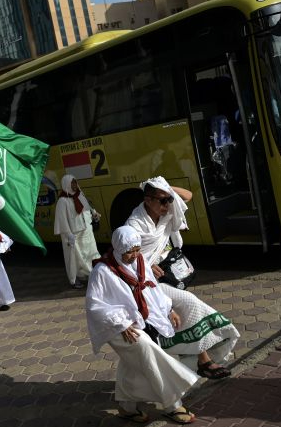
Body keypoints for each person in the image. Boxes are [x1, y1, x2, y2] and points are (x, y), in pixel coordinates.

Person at [126, 176, 239, 379]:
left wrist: (165, 187)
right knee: (189, 303)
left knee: (186, 309)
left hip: (164, 275)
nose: (168, 204)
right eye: (162, 200)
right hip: (145, 281)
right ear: (147, 200)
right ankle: (198, 362)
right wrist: (146, 264)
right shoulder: (135, 224)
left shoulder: (165, 212)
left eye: (169, 199)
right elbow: (125, 256)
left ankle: (203, 361)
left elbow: (188, 195)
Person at [86, 226, 198, 424]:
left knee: (134, 363)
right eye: (129, 251)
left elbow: (152, 289)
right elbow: (95, 305)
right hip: (117, 326)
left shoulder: (140, 261)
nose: (134, 254)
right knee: (148, 353)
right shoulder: (102, 270)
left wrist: (168, 309)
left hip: (140, 318)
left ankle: (127, 407)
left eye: (137, 249)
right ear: (118, 248)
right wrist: (120, 324)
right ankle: (173, 404)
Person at [54, 174, 101, 288]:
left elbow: (88, 208)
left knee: (89, 254)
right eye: (72, 183)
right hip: (74, 234)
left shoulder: (80, 195)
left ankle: (91, 274)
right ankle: (74, 280)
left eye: (75, 182)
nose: (75, 185)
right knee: (74, 258)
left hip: (87, 232)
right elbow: (62, 220)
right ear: (66, 184)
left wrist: (94, 214)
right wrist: (68, 234)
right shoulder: (62, 201)